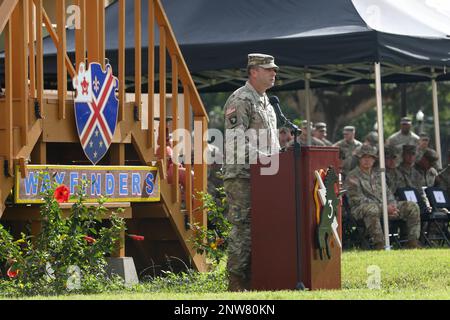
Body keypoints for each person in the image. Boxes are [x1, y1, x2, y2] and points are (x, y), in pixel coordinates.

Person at [223, 53, 280, 291]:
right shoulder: (241, 99)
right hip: (243, 175)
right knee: (244, 227)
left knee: (263, 226)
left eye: (274, 69)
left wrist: (280, 158)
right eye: (268, 69)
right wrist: (267, 159)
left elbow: (272, 142)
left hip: (265, 175)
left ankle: (257, 277)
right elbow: (235, 142)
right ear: (253, 71)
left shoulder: (267, 101)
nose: (273, 73)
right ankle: (236, 281)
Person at [345, 145, 421, 250]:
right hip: (361, 209)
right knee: (372, 209)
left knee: (412, 206)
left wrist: (392, 206)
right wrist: (383, 207)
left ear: (374, 159)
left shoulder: (378, 175)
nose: (367, 160)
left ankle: (412, 242)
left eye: (370, 157)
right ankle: (379, 244)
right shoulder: (352, 176)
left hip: (384, 208)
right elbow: (357, 199)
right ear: (359, 158)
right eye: (364, 157)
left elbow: (388, 193)